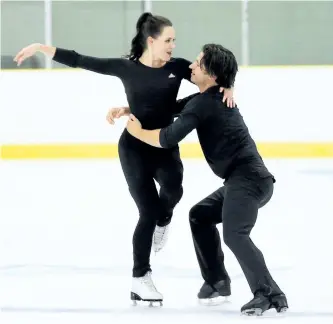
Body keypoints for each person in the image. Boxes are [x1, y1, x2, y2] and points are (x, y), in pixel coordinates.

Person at [13, 12, 235, 306]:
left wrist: (229, 85)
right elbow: (82, 60)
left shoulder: (178, 67)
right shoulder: (125, 67)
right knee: (147, 211)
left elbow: (211, 80)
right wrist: (43, 48)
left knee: (174, 189)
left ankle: (164, 218)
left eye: (174, 40)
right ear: (151, 41)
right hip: (133, 148)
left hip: (163, 144)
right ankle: (140, 279)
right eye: (168, 40)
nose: (173, 45)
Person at [126, 43, 288, 315]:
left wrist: (136, 131)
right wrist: (128, 108)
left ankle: (269, 293)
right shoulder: (206, 98)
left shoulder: (205, 103)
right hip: (246, 180)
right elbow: (172, 110)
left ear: (212, 75)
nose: (191, 66)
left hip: (248, 179)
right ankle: (216, 281)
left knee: (235, 235)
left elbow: (166, 139)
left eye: (198, 63)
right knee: (200, 215)